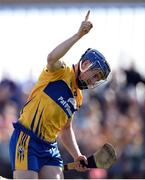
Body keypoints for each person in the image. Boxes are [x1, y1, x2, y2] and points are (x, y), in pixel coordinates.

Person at [9, 10, 111, 179]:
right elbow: (50, 57)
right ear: (85, 64)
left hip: (50, 148)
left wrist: (76, 154)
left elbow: (65, 129)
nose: (93, 81)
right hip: (27, 139)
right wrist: (78, 35)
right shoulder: (61, 71)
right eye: (94, 75)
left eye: (97, 79)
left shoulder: (78, 97)